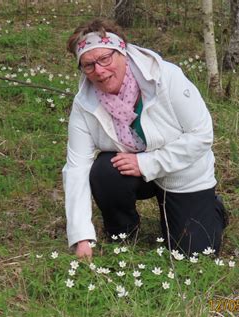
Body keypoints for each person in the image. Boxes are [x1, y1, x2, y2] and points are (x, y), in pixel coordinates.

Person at [63, 19, 228, 260]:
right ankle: (123, 232)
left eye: (105, 59)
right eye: (88, 65)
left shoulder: (166, 77)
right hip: (133, 171)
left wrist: (147, 163)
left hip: (182, 172)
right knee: (104, 171)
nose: (99, 70)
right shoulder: (85, 103)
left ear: (123, 52)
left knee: (195, 253)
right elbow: (77, 167)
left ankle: (214, 210)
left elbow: (202, 136)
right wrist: (81, 236)